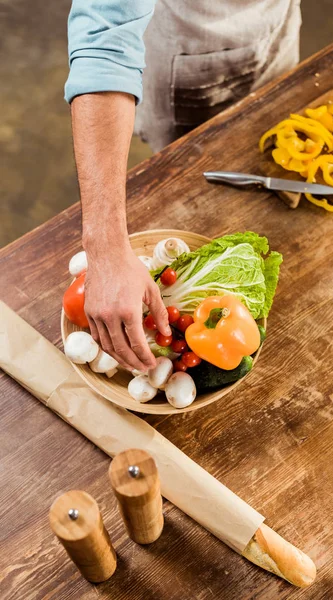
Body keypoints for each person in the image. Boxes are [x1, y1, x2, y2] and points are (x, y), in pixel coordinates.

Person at [66, 0, 301, 371]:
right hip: (189, 49)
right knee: (181, 172)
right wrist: (106, 247)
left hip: (275, 31)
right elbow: (103, 46)